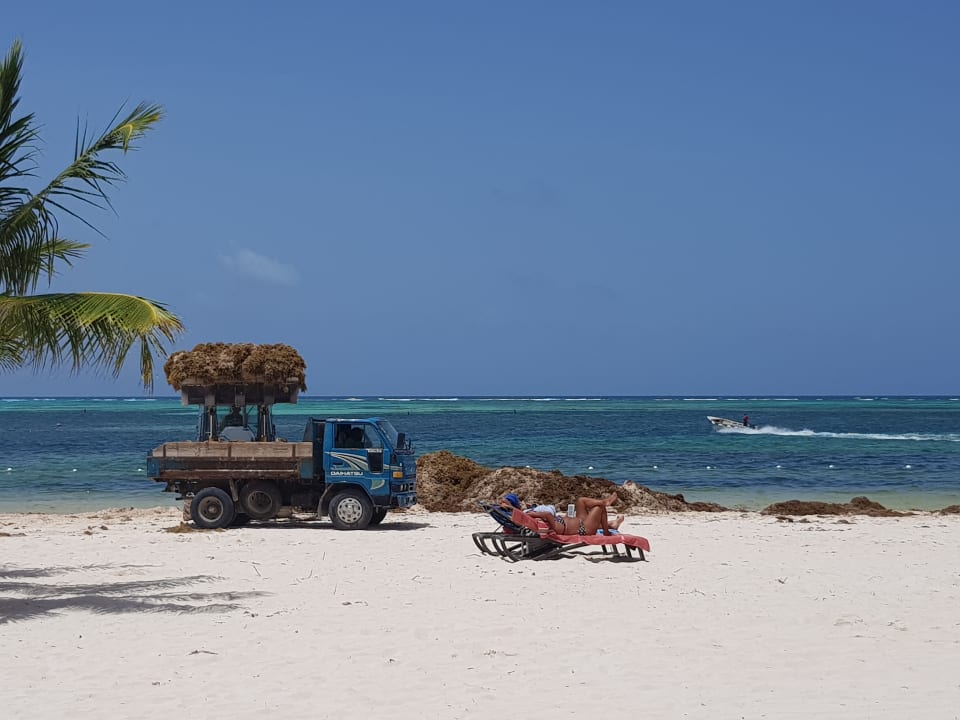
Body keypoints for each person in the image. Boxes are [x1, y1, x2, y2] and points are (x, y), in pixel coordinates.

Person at [501, 492, 624, 536]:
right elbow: (547, 515)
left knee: (581, 500)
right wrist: (533, 514)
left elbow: (546, 516)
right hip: (584, 528)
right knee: (599, 508)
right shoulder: (545, 524)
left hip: (579, 520)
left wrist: (530, 513)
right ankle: (607, 530)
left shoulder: (533, 519)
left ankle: (608, 512)